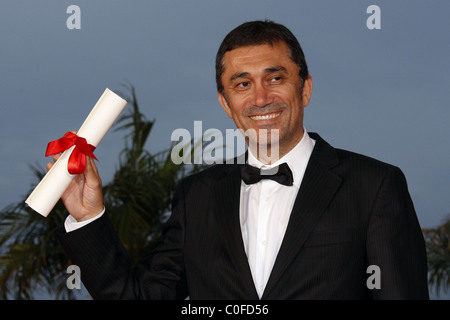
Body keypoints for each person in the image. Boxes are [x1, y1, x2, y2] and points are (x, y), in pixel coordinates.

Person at [51, 20, 429, 299]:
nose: (261, 98)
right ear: (225, 103)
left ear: (305, 88)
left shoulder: (375, 185)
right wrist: (88, 218)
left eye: (275, 78)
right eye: (242, 84)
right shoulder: (196, 196)